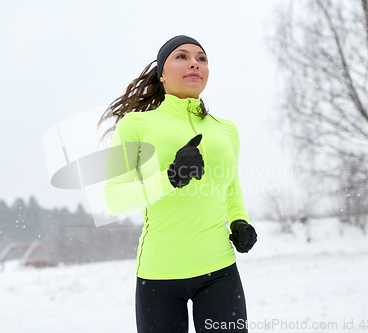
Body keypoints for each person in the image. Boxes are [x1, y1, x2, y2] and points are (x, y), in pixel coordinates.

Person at [100, 35, 257, 333]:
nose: (194, 63)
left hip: (219, 272)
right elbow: (114, 198)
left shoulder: (226, 130)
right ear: (161, 73)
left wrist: (239, 221)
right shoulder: (136, 125)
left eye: (202, 58)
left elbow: (231, 189)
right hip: (159, 277)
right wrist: (169, 179)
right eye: (182, 56)